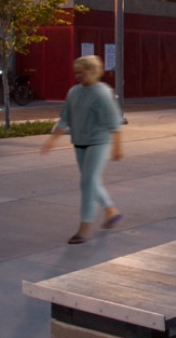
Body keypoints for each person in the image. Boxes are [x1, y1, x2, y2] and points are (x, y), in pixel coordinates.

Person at [40, 55, 124, 244]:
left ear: (93, 71)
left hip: (99, 142)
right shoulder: (73, 92)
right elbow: (65, 118)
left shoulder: (102, 93)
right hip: (79, 142)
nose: (78, 76)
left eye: (81, 72)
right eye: (76, 73)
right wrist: (52, 140)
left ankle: (85, 227)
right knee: (91, 182)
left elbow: (114, 122)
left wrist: (117, 147)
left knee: (87, 182)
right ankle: (111, 211)